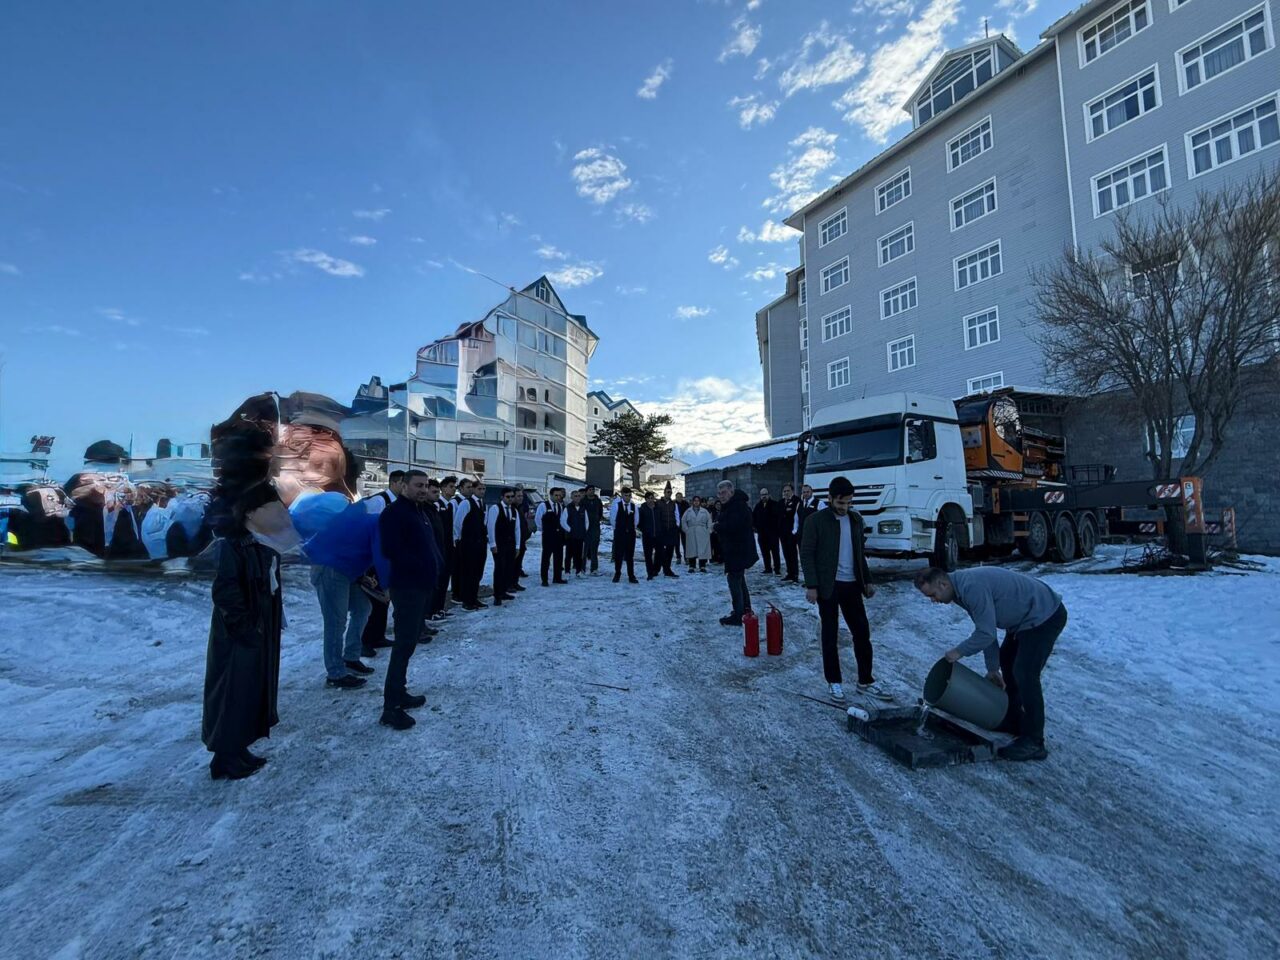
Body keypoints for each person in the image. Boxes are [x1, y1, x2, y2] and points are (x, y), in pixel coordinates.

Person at [914, 566, 1069, 762]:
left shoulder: (971, 587)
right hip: (1024, 620)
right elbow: (986, 628)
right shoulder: (958, 589)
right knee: (1007, 660)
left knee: (1025, 673)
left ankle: (1034, 741)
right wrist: (993, 668)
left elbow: (985, 634)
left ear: (943, 584)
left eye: (933, 595)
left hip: (1044, 615)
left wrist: (958, 652)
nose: (933, 601)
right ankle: (1013, 718)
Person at [202, 481, 289, 780]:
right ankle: (225, 756)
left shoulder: (260, 542)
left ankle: (238, 748)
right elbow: (226, 591)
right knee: (231, 694)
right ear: (251, 512)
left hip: (258, 630)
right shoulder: (231, 544)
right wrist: (246, 628)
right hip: (239, 635)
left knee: (249, 693)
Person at [800, 475, 892, 704]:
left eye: (848, 503)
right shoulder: (815, 521)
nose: (844, 507)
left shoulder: (855, 520)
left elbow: (859, 555)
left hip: (852, 585)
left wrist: (867, 581)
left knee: (862, 633)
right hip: (828, 586)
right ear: (830, 498)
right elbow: (807, 554)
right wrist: (812, 585)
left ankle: (866, 680)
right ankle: (834, 681)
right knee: (830, 634)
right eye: (840, 503)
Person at [377, 470, 437, 730]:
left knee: (409, 644)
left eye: (425, 485)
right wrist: (420, 566)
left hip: (420, 586)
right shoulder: (394, 513)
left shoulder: (417, 510)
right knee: (403, 646)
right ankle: (391, 708)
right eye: (418, 485)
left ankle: (399, 693)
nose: (423, 489)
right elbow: (391, 550)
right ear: (403, 485)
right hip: (407, 586)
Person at [359, 470, 405, 656]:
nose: (405, 487)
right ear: (394, 483)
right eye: (403, 483)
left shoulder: (399, 504)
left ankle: (378, 636)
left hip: (389, 556)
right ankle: (365, 641)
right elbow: (367, 528)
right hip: (373, 558)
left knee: (385, 601)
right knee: (373, 599)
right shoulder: (379, 501)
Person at [714, 480, 758, 626]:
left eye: (724, 492)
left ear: (731, 492)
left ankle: (739, 614)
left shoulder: (737, 505)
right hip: (736, 551)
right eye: (719, 493)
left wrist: (718, 527)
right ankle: (745, 609)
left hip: (738, 551)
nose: (721, 496)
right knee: (740, 580)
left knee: (734, 581)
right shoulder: (733, 505)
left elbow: (734, 526)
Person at [452, 479, 489, 610]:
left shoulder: (483, 504)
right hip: (468, 543)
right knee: (469, 572)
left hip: (480, 542)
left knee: (478, 571)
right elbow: (458, 523)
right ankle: (467, 600)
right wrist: (459, 539)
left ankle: (474, 597)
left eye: (484, 489)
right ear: (473, 489)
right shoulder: (466, 503)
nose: (482, 491)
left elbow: (484, 522)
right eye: (479, 489)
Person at [486, 487, 522, 605]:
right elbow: (491, 526)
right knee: (499, 569)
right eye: (508, 497)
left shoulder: (514, 511)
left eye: (512, 497)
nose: (510, 499)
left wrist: (517, 546)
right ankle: (497, 595)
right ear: (502, 497)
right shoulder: (495, 508)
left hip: (510, 544)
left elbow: (517, 529)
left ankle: (504, 591)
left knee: (508, 568)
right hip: (499, 544)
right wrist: (492, 543)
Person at [431, 477, 456, 620]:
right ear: (443, 488)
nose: (453, 489)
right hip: (439, 548)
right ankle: (433, 610)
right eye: (451, 486)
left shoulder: (450, 505)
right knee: (438, 581)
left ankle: (440, 608)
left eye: (454, 487)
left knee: (445, 579)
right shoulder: (437, 505)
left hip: (447, 547)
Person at [535, 488, 568, 586]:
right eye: (556, 495)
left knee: (558, 557)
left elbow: (561, 519)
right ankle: (544, 580)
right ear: (551, 495)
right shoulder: (543, 505)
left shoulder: (559, 506)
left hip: (558, 535)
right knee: (546, 558)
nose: (558, 497)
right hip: (548, 535)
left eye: (559, 495)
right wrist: (545, 530)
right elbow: (538, 520)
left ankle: (557, 577)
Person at [610, 486, 642, 583]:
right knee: (618, 555)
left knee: (630, 555)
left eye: (629, 496)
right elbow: (612, 519)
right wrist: (620, 529)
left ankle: (631, 575)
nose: (628, 497)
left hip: (630, 534)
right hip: (620, 533)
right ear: (622, 495)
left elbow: (636, 520)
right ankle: (617, 573)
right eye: (626, 495)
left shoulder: (634, 506)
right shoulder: (617, 505)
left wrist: (630, 528)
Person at [450, 477, 472, 604]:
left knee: (464, 567)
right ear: (461, 488)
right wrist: (456, 537)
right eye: (467, 487)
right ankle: (456, 592)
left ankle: (463, 590)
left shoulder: (470, 502)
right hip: (457, 539)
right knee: (457, 568)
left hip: (466, 540)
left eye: (471, 487)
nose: (470, 490)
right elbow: (455, 522)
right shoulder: (455, 502)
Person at [752, 487, 782, 576]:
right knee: (765, 552)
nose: (763, 496)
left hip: (773, 534)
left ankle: (777, 569)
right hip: (762, 534)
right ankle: (767, 568)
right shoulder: (758, 506)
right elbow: (754, 518)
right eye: (762, 495)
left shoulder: (774, 504)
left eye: (765, 494)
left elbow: (778, 518)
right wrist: (756, 527)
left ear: (768, 495)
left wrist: (776, 530)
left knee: (775, 552)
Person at [654, 485, 681, 578]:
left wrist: (676, 525)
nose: (669, 494)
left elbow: (677, 515)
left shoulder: (674, 504)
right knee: (659, 551)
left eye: (670, 492)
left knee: (670, 551)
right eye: (667, 492)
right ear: (664, 492)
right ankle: (655, 569)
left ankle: (667, 570)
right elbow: (656, 516)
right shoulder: (658, 503)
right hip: (662, 530)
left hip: (671, 530)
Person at [680, 495, 712, 572]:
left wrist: (708, 530)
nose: (696, 502)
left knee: (703, 548)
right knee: (692, 549)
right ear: (692, 502)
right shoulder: (688, 511)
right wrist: (686, 530)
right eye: (695, 500)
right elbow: (683, 521)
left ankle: (702, 566)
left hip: (702, 531)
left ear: (699, 502)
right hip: (691, 531)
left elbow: (709, 521)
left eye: (698, 500)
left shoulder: (704, 511)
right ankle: (692, 566)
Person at [562, 489, 589, 577]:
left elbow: (586, 521)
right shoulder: (568, 508)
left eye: (578, 496)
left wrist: (584, 530)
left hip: (580, 536)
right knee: (569, 555)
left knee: (579, 555)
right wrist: (570, 530)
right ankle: (567, 572)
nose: (577, 498)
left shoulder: (583, 508)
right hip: (571, 536)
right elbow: (563, 521)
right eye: (575, 496)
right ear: (571, 497)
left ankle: (578, 571)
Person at [778, 482, 801, 583]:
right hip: (782, 533)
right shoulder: (781, 502)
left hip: (792, 532)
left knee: (792, 554)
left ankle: (795, 574)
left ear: (792, 491)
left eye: (788, 491)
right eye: (784, 491)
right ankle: (789, 573)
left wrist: (795, 531)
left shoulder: (797, 501)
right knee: (786, 553)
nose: (786, 493)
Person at [513, 487, 534, 578]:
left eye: (521, 496)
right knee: (513, 561)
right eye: (518, 496)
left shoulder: (520, 507)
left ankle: (517, 576)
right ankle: (511, 582)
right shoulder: (512, 508)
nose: (521, 498)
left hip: (521, 538)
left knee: (519, 559)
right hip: (514, 540)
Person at [583, 485, 604, 575]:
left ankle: (594, 568)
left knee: (594, 548)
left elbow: (600, 513)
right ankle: (582, 568)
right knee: (584, 549)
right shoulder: (583, 501)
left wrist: (597, 519)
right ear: (586, 491)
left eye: (593, 490)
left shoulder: (598, 501)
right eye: (590, 490)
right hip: (585, 527)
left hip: (595, 527)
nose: (592, 491)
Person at [673, 491, 688, 563]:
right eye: (678, 497)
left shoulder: (686, 504)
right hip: (676, 525)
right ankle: (678, 557)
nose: (679, 498)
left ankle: (686, 557)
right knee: (676, 542)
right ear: (676, 497)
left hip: (684, 525)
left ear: (682, 497)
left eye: (680, 497)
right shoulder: (673, 504)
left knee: (685, 542)